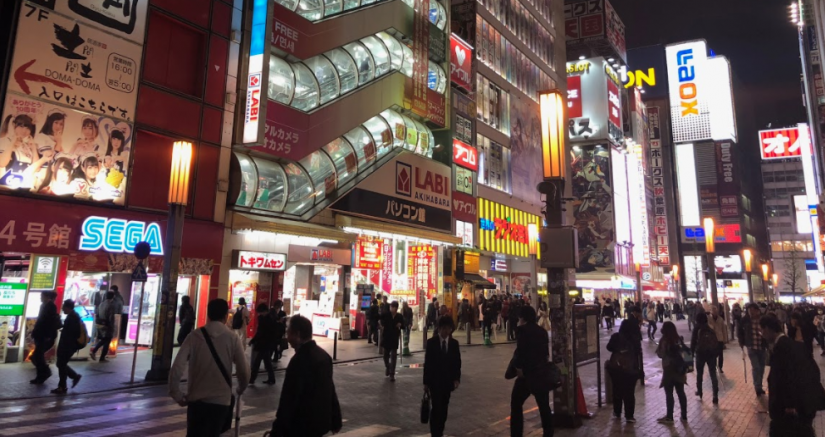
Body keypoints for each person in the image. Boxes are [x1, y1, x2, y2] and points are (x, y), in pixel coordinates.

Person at [169, 299, 249, 437]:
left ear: (208, 315)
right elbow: (244, 371)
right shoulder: (232, 338)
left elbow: (177, 367)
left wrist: (177, 394)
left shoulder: (194, 336)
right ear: (225, 316)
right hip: (221, 403)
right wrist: (240, 389)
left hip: (196, 403)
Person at [269, 315, 342, 437]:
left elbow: (289, 398)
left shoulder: (299, 361)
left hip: (302, 425)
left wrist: (277, 429)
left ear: (297, 334)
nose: (287, 338)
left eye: (289, 333)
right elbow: (329, 389)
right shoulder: (323, 355)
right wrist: (336, 418)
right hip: (320, 423)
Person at [760, 314, 821, 437]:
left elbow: (785, 377)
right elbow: (814, 370)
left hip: (790, 410)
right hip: (804, 405)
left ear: (767, 329)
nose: (762, 334)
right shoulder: (795, 345)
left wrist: (790, 404)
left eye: (761, 330)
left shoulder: (782, 348)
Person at [509, 305, 553, 437]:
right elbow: (546, 354)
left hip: (526, 375)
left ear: (522, 317)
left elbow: (520, 353)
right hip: (540, 373)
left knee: (516, 403)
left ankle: (516, 434)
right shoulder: (542, 331)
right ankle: (548, 433)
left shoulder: (522, 331)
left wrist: (519, 369)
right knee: (544, 406)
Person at [424, 315, 461, 437]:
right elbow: (428, 363)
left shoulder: (454, 344)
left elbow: (457, 363)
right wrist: (426, 382)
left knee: (444, 409)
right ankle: (435, 433)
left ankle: (440, 430)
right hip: (435, 382)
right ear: (439, 329)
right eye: (443, 328)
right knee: (436, 408)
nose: (446, 331)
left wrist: (456, 379)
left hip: (447, 382)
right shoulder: (432, 343)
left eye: (448, 328)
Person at [606, 319, 640, 423]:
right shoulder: (634, 338)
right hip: (630, 369)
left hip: (617, 368)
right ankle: (629, 415)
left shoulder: (616, 336)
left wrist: (618, 350)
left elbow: (609, 347)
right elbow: (638, 352)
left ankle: (617, 412)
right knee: (629, 392)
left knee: (617, 390)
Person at [656, 321, 687, 423]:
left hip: (669, 369)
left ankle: (669, 417)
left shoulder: (664, 340)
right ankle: (684, 415)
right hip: (679, 369)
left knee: (669, 393)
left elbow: (660, 354)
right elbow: (685, 354)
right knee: (681, 392)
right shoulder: (678, 339)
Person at [52, 299, 82, 394]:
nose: (62, 309)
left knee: (61, 365)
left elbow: (71, 334)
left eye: (63, 307)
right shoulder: (73, 316)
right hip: (69, 345)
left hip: (67, 346)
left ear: (68, 307)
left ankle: (62, 386)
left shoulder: (72, 318)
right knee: (61, 364)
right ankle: (74, 377)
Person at [30, 291, 60, 384]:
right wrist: (34, 332)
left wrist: (48, 335)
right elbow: (40, 320)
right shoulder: (43, 305)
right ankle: (41, 375)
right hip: (39, 334)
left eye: (42, 296)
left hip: (45, 336)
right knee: (37, 356)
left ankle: (44, 373)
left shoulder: (51, 306)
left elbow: (49, 323)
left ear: (47, 297)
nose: (40, 297)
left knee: (37, 356)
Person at [738, 303, 767, 396]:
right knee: (756, 367)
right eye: (749, 310)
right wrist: (741, 342)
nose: (751, 312)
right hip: (751, 346)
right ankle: (757, 387)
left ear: (757, 310)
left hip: (761, 346)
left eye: (752, 310)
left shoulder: (762, 319)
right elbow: (740, 331)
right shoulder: (745, 320)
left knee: (762, 367)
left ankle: (760, 385)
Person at [691, 313, 719, 403]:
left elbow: (693, 342)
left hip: (700, 354)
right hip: (711, 354)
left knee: (699, 373)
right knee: (713, 374)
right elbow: (716, 342)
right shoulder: (709, 328)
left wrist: (691, 353)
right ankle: (715, 394)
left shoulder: (697, 328)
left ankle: (700, 391)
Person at [248, 303, 276, 385]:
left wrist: (253, 340)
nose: (259, 314)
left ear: (265, 311)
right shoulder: (264, 318)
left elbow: (261, 332)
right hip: (265, 343)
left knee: (257, 362)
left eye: (260, 312)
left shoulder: (268, 319)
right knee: (267, 362)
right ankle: (271, 378)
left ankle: (252, 379)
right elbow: (260, 331)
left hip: (265, 343)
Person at [380, 301, 405, 381]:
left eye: (393, 307)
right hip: (386, 338)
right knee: (385, 356)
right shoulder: (386, 315)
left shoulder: (399, 316)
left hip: (394, 338)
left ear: (396, 308)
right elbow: (381, 321)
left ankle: (392, 374)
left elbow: (403, 325)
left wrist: (400, 325)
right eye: (391, 307)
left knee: (393, 356)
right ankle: (388, 366)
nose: (391, 308)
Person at [90, 291, 115, 363]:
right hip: (107, 325)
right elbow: (111, 318)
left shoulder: (101, 304)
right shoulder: (111, 306)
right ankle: (102, 357)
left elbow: (97, 314)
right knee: (107, 341)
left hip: (100, 324)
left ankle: (94, 352)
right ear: (113, 297)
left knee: (103, 340)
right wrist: (112, 326)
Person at [708, 305, 728, 373]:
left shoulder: (720, 319)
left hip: (720, 339)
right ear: (711, 311)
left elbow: (724, 330)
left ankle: (720, 367)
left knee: (720, 354)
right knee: (713, 354)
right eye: (713, 310)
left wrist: (725, 339)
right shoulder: (708, 319)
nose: (714, 312)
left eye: (715, 310)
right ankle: (714, 366)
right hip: (712, 340)